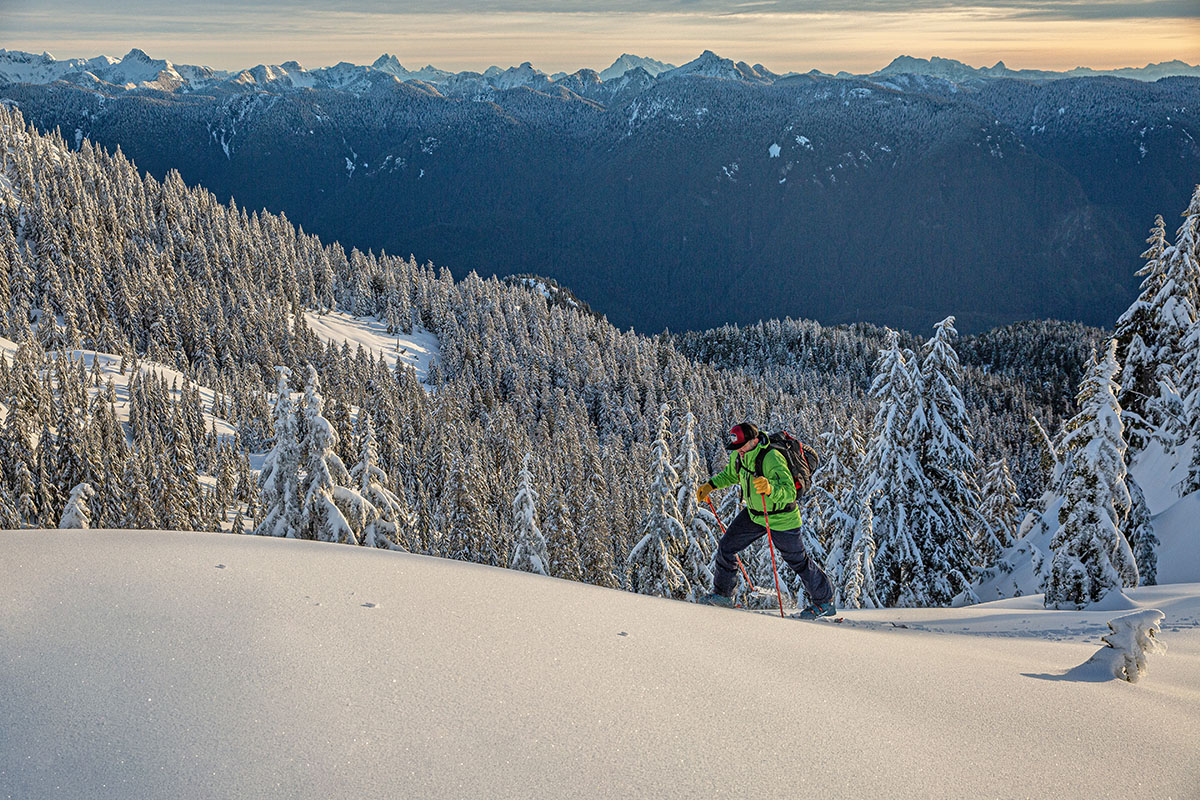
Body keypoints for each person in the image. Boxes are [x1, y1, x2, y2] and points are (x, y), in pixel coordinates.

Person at [695, 422, 836, 619]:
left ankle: (824, 602)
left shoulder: (772, 458)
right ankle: (722, 596)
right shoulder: (740, 454)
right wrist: (711, 485)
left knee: (798, 561)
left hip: (782, 518)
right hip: (755, 514)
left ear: (754, 441)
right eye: (736, 448)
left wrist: (770, 489)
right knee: (726, 547)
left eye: (742, 447)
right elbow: (731, 474)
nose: (739, 451)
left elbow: (789, 492)